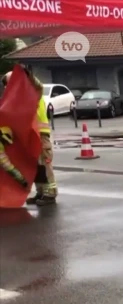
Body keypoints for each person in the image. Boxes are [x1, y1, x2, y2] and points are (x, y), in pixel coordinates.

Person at [2, 69, 55, 206]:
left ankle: (51, 193)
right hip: (29, 136)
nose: (9, 88)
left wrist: (27, 75)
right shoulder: (17, 99)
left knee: (44, 163)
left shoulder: (33, 93)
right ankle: (41, 191)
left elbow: (38, 85)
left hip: (40, 134)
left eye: (11, 84)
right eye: (7, 85)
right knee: (36, 165)